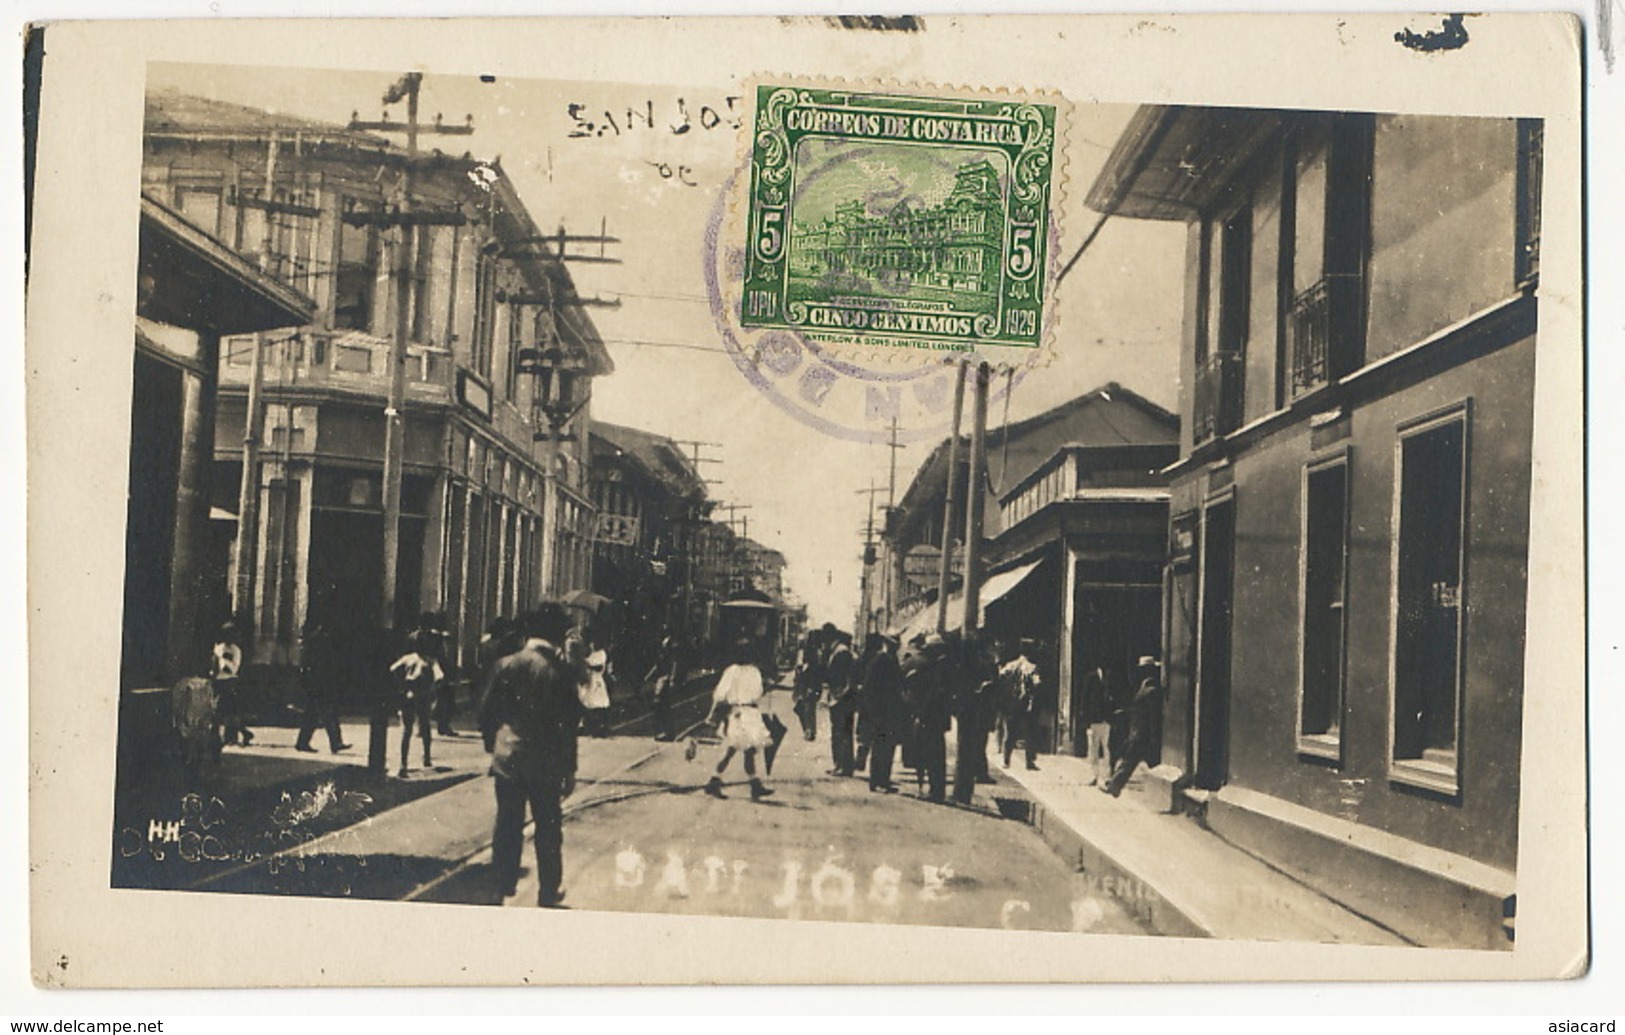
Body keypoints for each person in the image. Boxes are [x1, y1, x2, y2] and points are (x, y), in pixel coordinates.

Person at [478, 604, 583, 907]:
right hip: (545, 762)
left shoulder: (506, 664)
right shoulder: (559, 672)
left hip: (507, 758)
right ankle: (548, 891)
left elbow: (486, 713)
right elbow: (569, 725)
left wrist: (495, 745)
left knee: (507, 823)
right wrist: (570, 768)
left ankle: (502, 884)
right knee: (548, 827)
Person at [704, 638, 775, 801]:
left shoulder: (752, 671)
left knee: (748, 751)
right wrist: (712, 713)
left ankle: (754, 785)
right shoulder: (734, 671)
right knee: (733, 749)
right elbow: (720, 694)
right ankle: (715, 781)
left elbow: (757, 692)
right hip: (738, 713)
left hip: (751, 713)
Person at [903, 634, 951, 803]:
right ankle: (934, 789)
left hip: (926, 716)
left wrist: (919, 714)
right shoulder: (937, 665)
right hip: (934, 718)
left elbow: (928, 694)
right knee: (934, 755)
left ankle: (933, 790)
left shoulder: (928, 665)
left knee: (927, 755)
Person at [1107, 656, 1163, 797]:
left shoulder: (1150, 690)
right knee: (1134, 759)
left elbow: (1153, 716)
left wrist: (1154, 735)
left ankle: (1115, 785)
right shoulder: (1146, 688)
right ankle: (1115, 785)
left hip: (1143, 732)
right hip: (1140, 731)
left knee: (1131, 759)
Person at [389, 630, 443, 777]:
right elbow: (439, 678)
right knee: (425, 728)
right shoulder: (431, 661)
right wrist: (432, 690)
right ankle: (426, 758)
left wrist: (401, 684)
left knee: (407, 730)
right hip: (423, 696)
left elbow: (393, 669)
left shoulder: (407, 658)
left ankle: (403, 763)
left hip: (408, 695)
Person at [295, 619, 351, 754]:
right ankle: (335, 742)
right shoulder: (322, 641)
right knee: (327, 713)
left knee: (313, 714)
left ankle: (303, 742)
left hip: (316, 683)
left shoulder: (314, 641)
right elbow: (324, 665)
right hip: (320, 684)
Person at [860, 635, 905, 793]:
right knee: (881, 747)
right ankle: (877, 781)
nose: (895, 647)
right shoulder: (880, 661)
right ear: (886, 644)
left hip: (890, 712)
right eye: (893, 644)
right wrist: (873, 712)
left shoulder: (891, 660)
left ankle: (883, 780)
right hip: (881, 712)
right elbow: (869, 688)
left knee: (887, 747)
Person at [999, 639, 1044, 771]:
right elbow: (1037, 683)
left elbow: (1001, 678)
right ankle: (1029, 762)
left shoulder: (1010, 665)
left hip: (1010, 704)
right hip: (1025, 705)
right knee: (1029, 733)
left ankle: (1006, 760)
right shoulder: (1032, 667)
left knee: (1010, 733)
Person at [823, 629, 859, 777]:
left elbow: (846, 677)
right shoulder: (840, 651)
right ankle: (842, 765)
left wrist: (839, 696)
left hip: (841, 699)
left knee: (840, 732)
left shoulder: (841, 652)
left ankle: (842, 766)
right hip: (840, 697)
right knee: (842, 732)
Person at [211, 621, 252, 748]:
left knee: (228, 711)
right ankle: (241, 733)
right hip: (218, 681)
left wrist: (225, 660)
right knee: (221, 711)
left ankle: (235, 735)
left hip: (229, 682)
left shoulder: (235, 650)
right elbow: (214, 665)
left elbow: (234, 668)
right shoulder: (218, 648)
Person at [1079, 662, 1116, 787]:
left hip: (1107, 720)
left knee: (1107, 749)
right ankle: (1093, 775)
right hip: (1094, 720)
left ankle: (1106, 777)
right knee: (1093, 749)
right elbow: (1085, 699)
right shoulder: (1091, 677)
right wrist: (1086, 722)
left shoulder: (1110, 678)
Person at [791, 627, 826, 741]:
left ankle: (809, 729)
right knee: (808, 707)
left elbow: (805, 668)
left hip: (809, 683)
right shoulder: (819, 652)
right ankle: (810, 729)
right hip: (812, 683)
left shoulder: (813, 652)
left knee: (806, 707)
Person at [579, 645, 612, 738]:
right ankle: (589, 726)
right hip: (589, 679)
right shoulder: (590, 655)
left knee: (599, 702)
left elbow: (598, 667)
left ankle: (601, 727)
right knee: (587, 701)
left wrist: (587, 664)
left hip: (596, 679)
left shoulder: (601, 654)